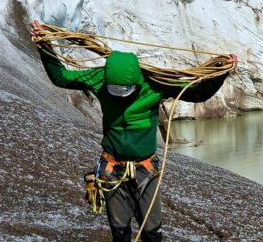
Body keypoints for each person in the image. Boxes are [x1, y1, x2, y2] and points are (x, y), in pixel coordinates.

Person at [29, 20, 236, 242]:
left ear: (137, 82)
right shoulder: (100, 77)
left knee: (152, 233)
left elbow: (197, 94)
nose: (119, 95)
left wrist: (220, 72)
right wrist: (44, 45)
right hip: (112, 168)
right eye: (114, 90)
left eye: (125, 91)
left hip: (144, 170)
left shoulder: (155, 82)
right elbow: (60, 77)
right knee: (119, 231)